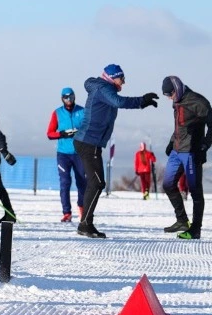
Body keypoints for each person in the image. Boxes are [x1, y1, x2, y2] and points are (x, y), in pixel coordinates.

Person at [72, 64, 158, 238]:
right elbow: (119, 102)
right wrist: (142, 101)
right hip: (88, 143)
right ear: (112, 77)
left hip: (91, 143)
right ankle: (85, 224)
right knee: (96, 183)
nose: (124, 82)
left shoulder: (104, 88)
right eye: (122, 78)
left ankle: (85, 223)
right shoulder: (104, 89)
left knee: (96, 183)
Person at [160, 76, 211, 239]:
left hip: (191, 151)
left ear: (178, 88)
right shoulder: (177, 101)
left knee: (195, 190)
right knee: (168, 185)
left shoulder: (199, 102)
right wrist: (171, 142)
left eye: (170, 94)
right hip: (177, 151)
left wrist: (205, 145)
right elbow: (179, 126)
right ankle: (182, 220)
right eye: (167, 95)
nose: (169, 98)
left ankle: (195, 229)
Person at [46, 87, 86, 222]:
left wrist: (80, 133)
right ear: (62, 99)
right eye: (66, 97)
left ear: (74, 97)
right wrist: (62, 134)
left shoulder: (82, 111)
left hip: (80, 153)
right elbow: (49, 133)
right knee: (65, 182)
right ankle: (67, 212)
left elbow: (90, 129)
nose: (69, 100)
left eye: (71, 97)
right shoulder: (57, 113)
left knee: (82, 182)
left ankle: (82, 207)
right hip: (63, 154)